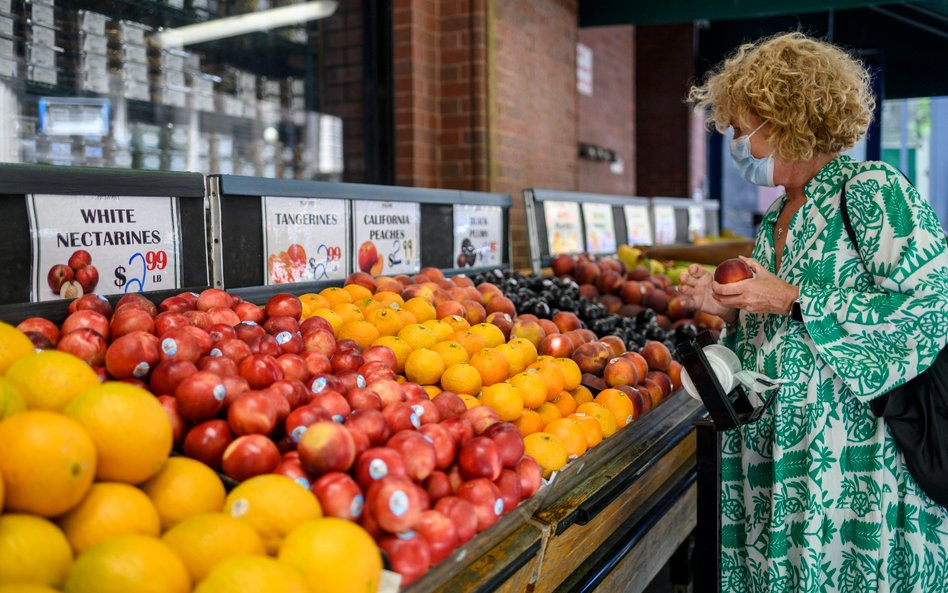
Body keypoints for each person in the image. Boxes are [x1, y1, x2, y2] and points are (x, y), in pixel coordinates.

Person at [681, 32, 948, 593]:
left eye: (740, 125)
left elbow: (933, 308)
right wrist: (724, 308)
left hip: (851, 465)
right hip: (773, 457)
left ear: (784, 117)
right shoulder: (780, 212)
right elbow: (774, 329)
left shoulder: (871, 189)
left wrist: (792, 298)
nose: (734, 141)